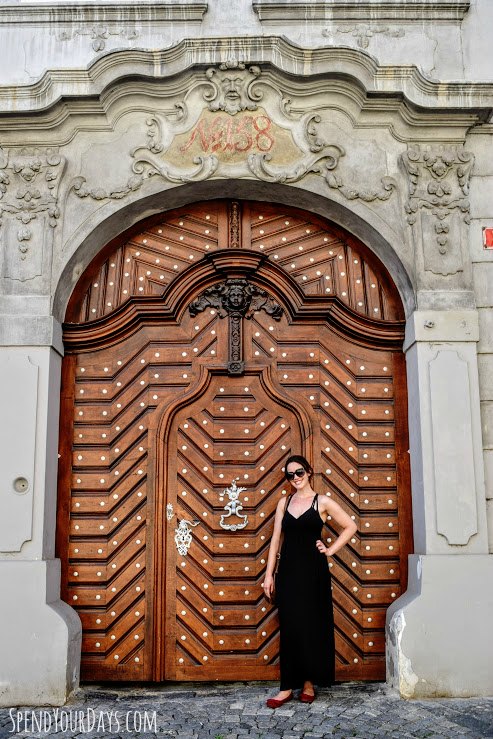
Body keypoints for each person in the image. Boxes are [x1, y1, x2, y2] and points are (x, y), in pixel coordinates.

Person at [262, 454, 358, 707]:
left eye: (299, 473)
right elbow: (275, 541)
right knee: (291, 626)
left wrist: (330, 550)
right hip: (290, 572)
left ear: (309, 472)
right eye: (290, 475)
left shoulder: (322, 502)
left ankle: (308, 684)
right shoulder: (285, 502)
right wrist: (268, 574)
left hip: (314, 572)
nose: (295, 478)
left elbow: (350, 526)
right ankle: (285, 688)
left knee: (311, 626)